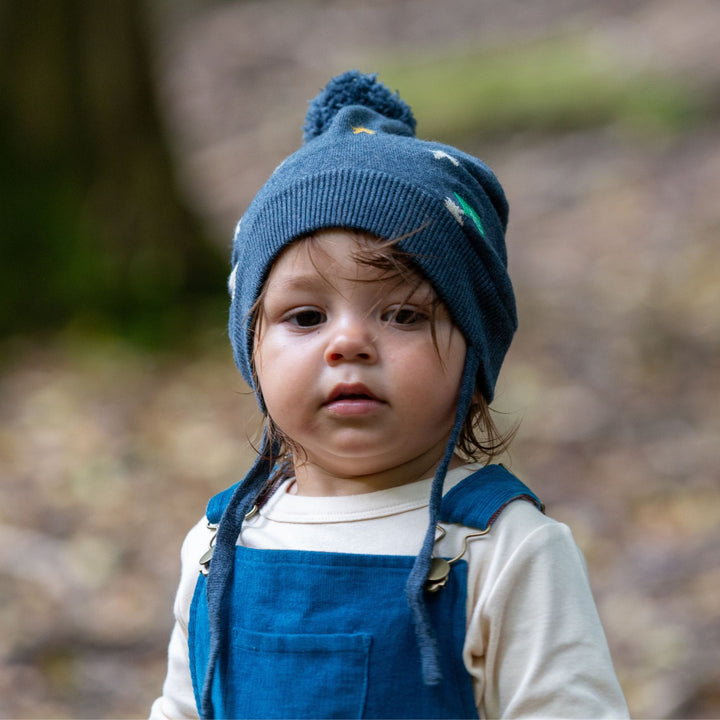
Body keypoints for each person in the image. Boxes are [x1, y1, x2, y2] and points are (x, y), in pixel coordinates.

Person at [150, 71, 628, 719]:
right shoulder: (222, 543)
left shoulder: (502, 549)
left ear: (473, 350)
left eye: (403, 316)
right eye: (306, 318)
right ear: (252, 350)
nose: (348, 343)